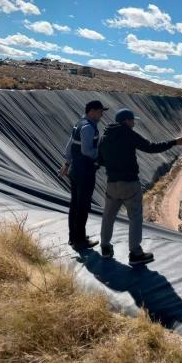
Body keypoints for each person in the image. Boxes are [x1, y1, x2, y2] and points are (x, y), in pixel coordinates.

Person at [98, 108, 182, 265]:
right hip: (130, 184)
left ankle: (105, 247)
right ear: (126, 121)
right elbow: (151, 147)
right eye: (132, 120)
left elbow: (100, 160)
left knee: (108, 216)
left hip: (112, 183)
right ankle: (135, 254)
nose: (133, 123)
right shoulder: (128, 133)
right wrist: (174, 142)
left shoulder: (105, 137)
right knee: (135, 218)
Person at [61, 100, 108, 250]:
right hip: (85, 172)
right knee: (83, 206)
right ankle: (80, 241)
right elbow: (87, 151)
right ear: (92, 111)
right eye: (100, 111)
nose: (102, 115)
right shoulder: (88, 127)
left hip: (75, 170)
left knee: (75, 204)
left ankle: (73, 237)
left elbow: (69, 147)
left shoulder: (79, 124)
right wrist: (100, 155)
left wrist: (67, 164)